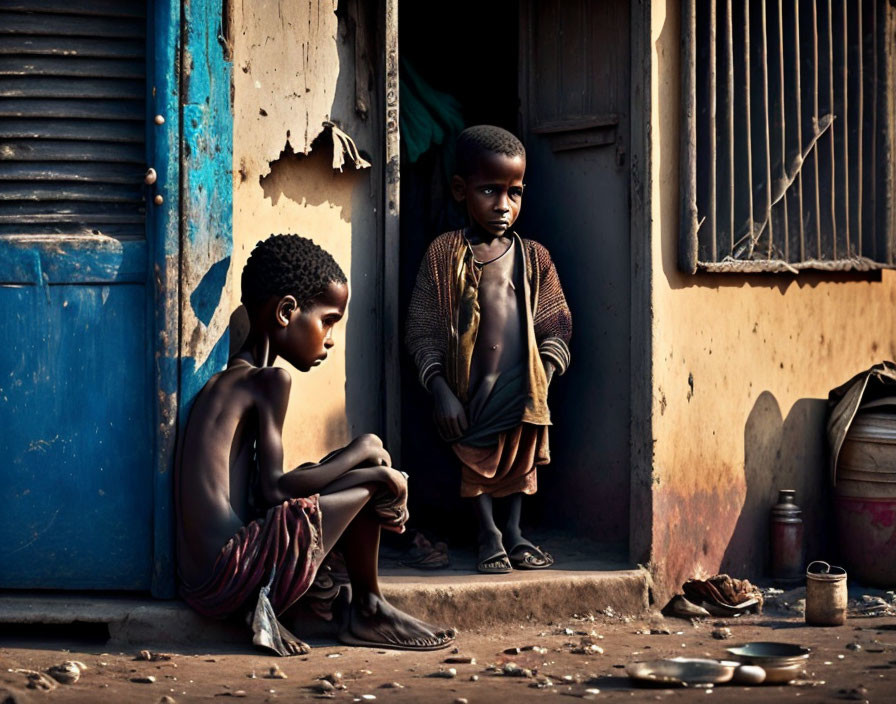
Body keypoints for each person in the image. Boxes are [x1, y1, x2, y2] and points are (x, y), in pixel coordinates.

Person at [176, 234, 455, 655]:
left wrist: (358, 458)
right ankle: (369, 608)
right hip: (230, 575)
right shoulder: (270, 380)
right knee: (373, 477)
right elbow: (274, 491)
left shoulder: (227, 381)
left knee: (353, 464)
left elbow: (263, 494)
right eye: (328, 320)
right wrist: (367, 460)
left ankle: (366, 605)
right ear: (287, 312)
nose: (330, 338)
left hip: (198, 582)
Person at [406, 125, 572, 574]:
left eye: (514, 193)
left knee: (520, 457)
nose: (503, 205)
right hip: (470, 384)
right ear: (461, 190)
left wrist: (545, 373)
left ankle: (514, 530)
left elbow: (556, 317)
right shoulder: (445, 253)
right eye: (489, 191)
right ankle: (488, 532)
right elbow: (421, 326)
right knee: (476, 456)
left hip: (522, 383)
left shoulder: (533, 256)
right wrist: (439, 387)